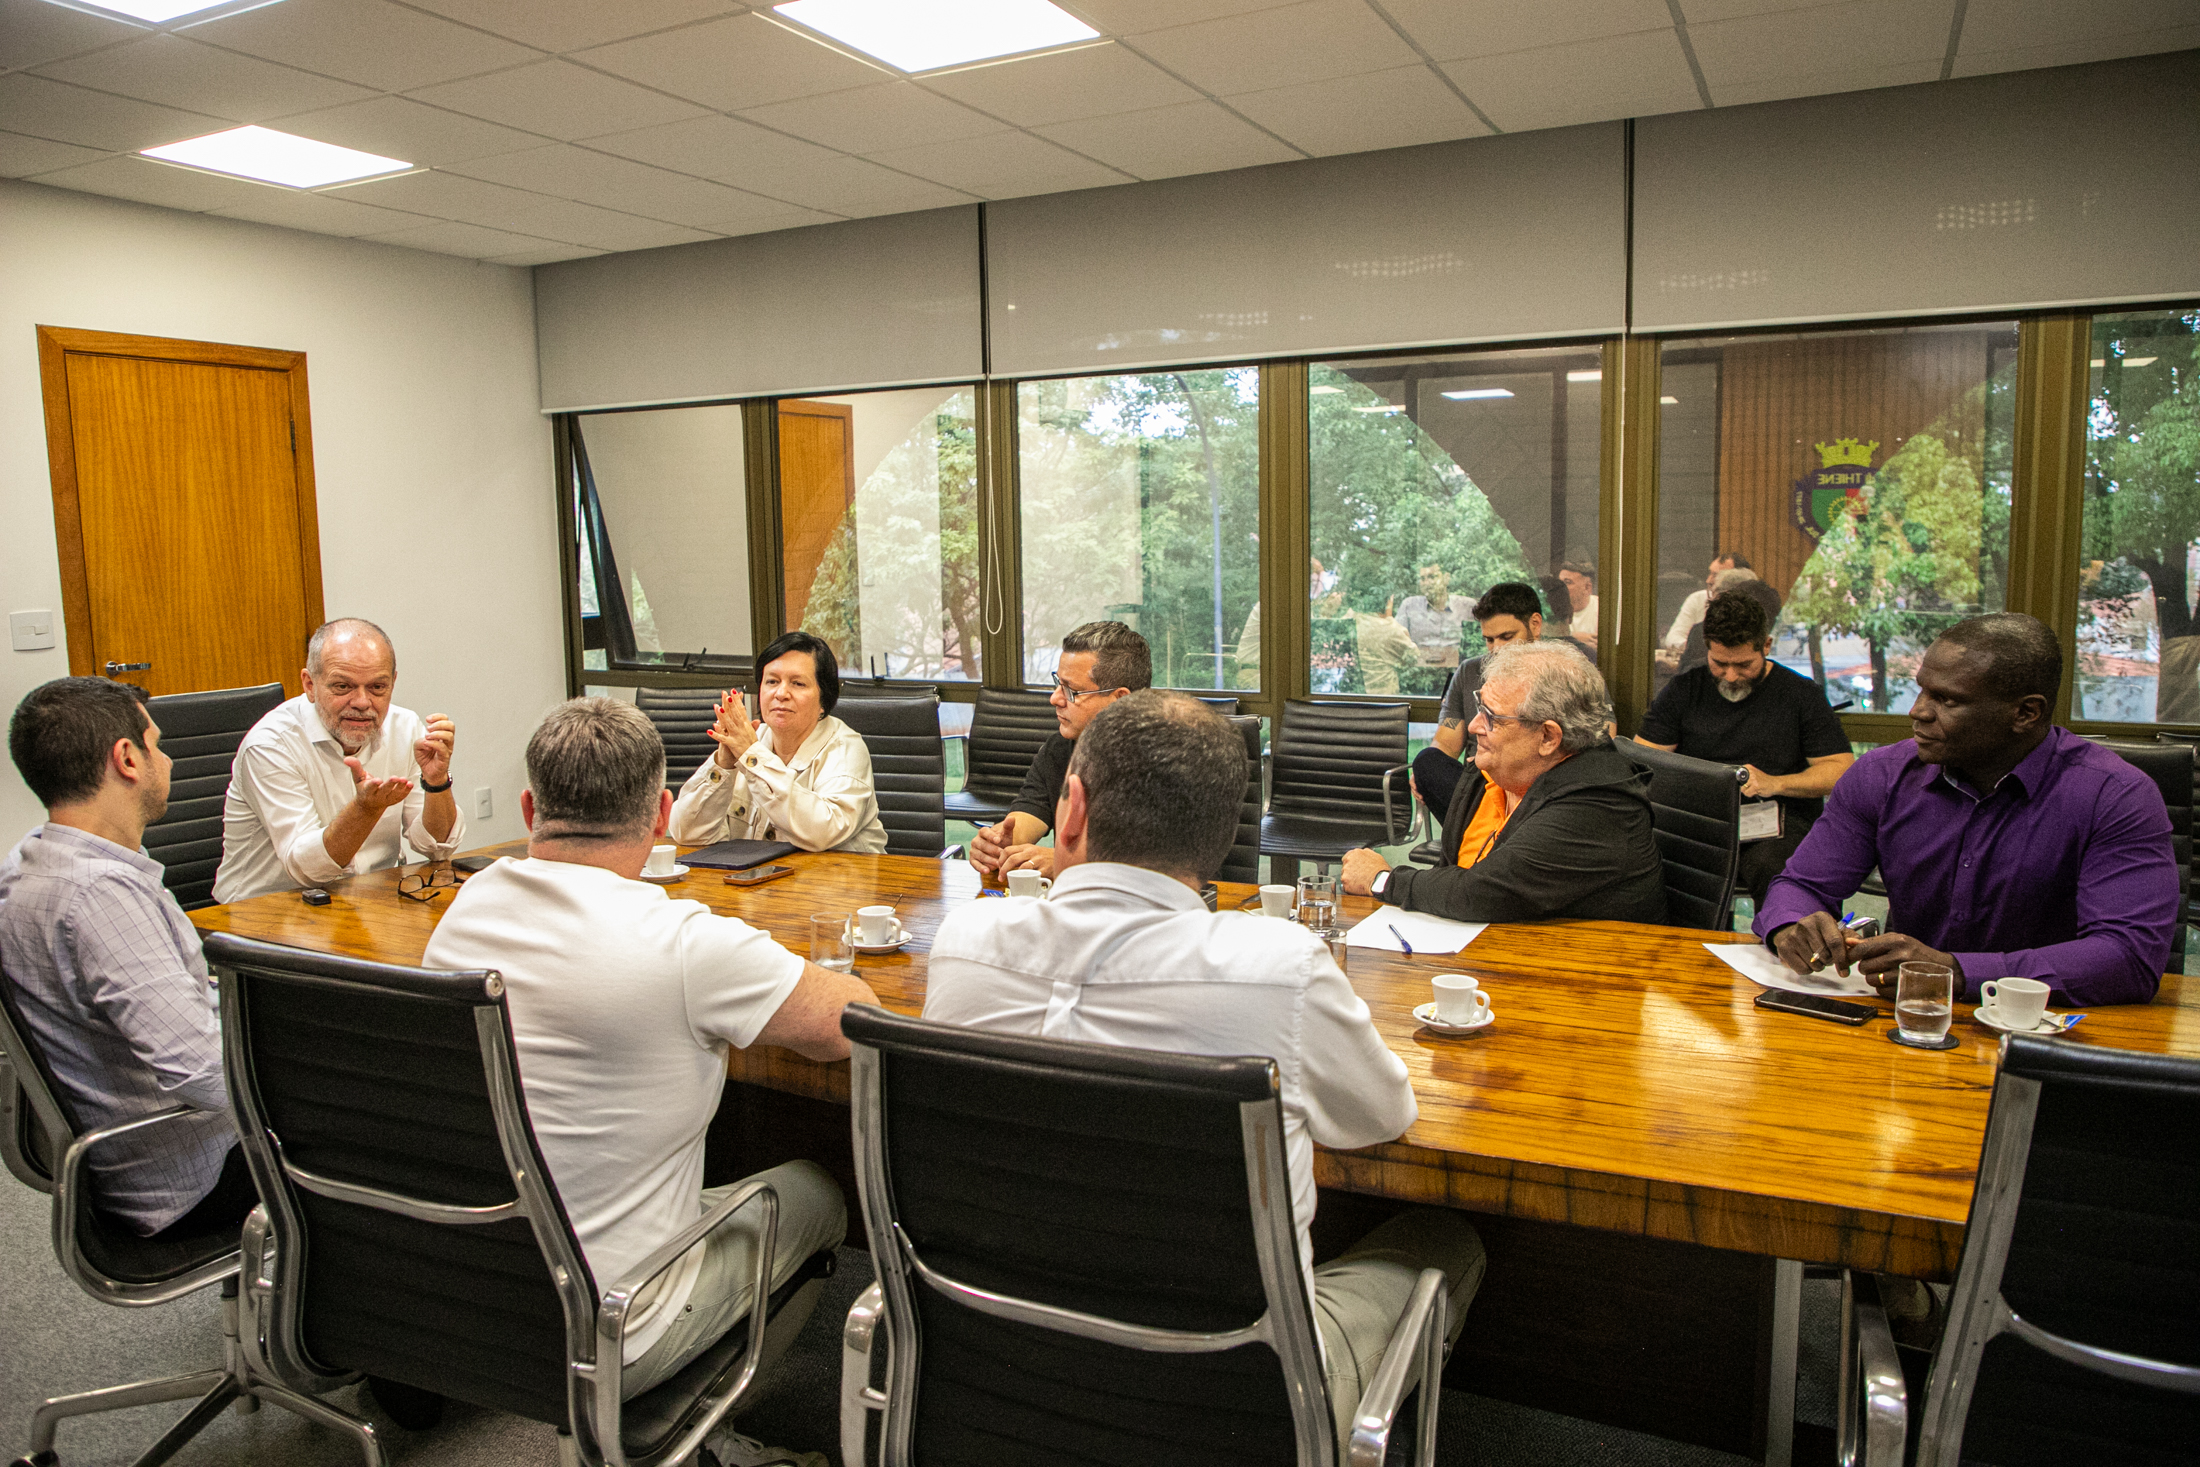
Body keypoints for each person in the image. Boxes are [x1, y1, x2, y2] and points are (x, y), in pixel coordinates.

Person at [925, 691, 1484, 1451]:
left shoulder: (966, 944)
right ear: (1223, 835)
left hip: (990, 1365)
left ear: (1073, 808)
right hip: (1228, 1406)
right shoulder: (1280, 970)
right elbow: (1382, 1118)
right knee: (1448, 1241)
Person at [421, 698, 873, 1460]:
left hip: (473, 1284)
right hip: (614, 1316)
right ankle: (681, 1431)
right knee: (818, 1193)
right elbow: (852, 1021)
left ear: (530, 809)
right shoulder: (685, 941)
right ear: (662, 814)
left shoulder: (470, 906)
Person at [1757, 613, 2178, 1007]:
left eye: (1947, 700)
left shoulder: (2116, 796)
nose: (1918, 711)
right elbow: (1801, 885)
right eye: (1922, 689)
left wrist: (1958, 972)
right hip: (1908, 1018)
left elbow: (2129, 957)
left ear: (2026, 713)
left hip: (2049, 1030)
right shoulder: (1881, 776)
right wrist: (1791, 926)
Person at [1, 678, 252, 1240]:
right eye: (157, 744)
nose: (168, 760)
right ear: (127, 758)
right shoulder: (101, 896)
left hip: (123, 1159)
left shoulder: (27, 861)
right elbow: (205, 1075)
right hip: (193, 1176)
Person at [1343, 642, 1665, 924]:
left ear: (1548, 737)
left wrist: (1382, 880)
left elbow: (1479, 892)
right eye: (1479, 708)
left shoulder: (1597, 807)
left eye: (1491, 717)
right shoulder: (1497, 772)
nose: (1473, 726)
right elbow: (1454, 871)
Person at [214, 618, 462, 903]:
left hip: (365, 902)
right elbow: (306, 869)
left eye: (377, 687)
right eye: (343, 686)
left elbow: (437, 848)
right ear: (310, 684)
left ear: (393, 683)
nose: (362, 702)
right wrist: (365, 811)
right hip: (263, 910)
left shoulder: (405, 727)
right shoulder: (271, 745)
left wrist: (437, 783)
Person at [1636, 592, 1854, 908]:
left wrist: (1775, 783)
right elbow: (1643, 761)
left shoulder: (1800, 694)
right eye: (1719, 663)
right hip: (1702, 823)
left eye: (1743, 665)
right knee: (1651, 861)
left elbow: (1840, 770)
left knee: (1775, 868)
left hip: (1776, 823)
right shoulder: (1685, 689)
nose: (1731, 676)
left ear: (1766, 646)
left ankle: (1785, 932)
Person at [667, 630, 885, 853]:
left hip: (839, 874)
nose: (781, 693)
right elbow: (687, 833)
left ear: (824, 699)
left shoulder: (845, 749)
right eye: (772, 681)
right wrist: (724, 764)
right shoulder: (751, 740)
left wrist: (752, 757)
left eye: (798, 683)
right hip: (758, 873)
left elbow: (823, 831)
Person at [970, 620, 1150, 882]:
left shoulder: (1168, 759)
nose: (1055, 698)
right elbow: (1028, 814)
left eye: (1071, 691)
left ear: (1120, 699)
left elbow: (1164, 862)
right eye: (1058, 683)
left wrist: (1066, 863)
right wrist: (999, 841)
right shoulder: (1059, 749)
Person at [1411, 582, 1558, 820]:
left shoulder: (1566, 672)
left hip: (1536, 791)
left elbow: (1598, 745)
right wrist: (1425, 773)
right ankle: (1485, 831)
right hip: (1477, 791)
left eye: (1507, 637)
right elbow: (1445, 744)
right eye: (1489, 640)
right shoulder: (1469, 672)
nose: (1496, 649)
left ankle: (1491, 833)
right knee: (1427, 761)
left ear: (1535, 624)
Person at [1658, 551, 1751, 670]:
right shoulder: (1697, 599)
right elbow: (1673, 638)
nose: (1708, 580)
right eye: (1710, 573)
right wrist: (1701, 648)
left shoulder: (1752, 608)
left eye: (1716, 575)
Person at [1396, 564, 1465, 669]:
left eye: (1432, 577)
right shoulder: (1409, 605)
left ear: (1446, 578)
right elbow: (1397, 639)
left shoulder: (1463, 606)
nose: (1427, 583)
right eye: (1423, 579)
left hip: (1456, 672)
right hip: (1419, 671)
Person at [1559, 561, 1599, 653]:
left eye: (1567, 582)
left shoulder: (1601, 609)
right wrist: (1573, 639)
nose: (1560, 588)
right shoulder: (1549, 609)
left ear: (1587, 587)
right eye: (1559, 582)